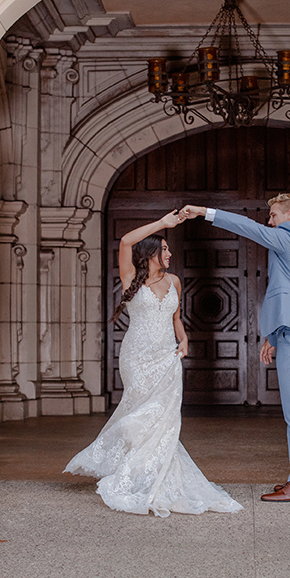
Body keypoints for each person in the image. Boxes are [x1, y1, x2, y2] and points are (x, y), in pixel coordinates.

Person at [64, 210, 242, 517]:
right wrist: (162, 224)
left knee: (164, 419)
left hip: (167, 356)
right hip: (136, 357)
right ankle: (135, 474)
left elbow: (175, 318)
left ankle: (153, 474)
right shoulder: (131, 277)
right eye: (165, 249)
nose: (170, 253)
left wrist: (183, 339)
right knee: (140, 415)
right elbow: (125, 241)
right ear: (151, 254)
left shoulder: (174, 281)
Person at [180, 194, 290, 503]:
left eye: (274, 216)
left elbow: (246, 227)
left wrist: (204, 212)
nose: (269, 221)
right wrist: (272, 335)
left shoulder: (289, 235)